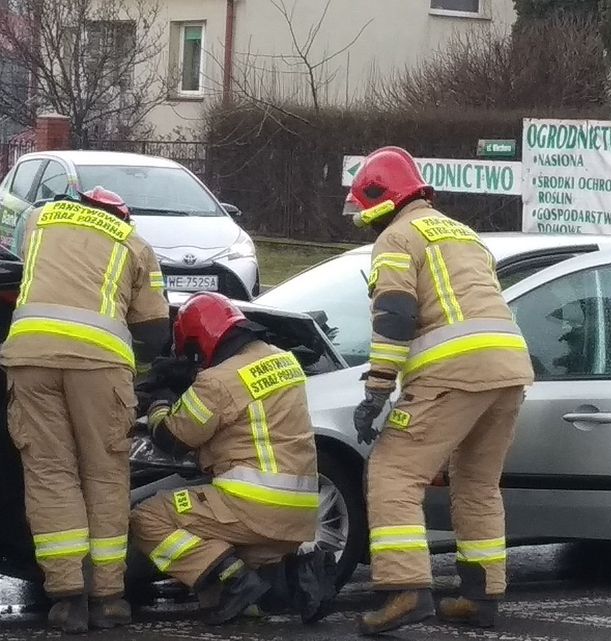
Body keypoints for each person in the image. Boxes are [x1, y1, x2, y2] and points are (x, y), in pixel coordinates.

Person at [345, 147, 533, 635]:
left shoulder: (396, 237)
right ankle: (482, 595)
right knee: (477, 482)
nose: (363, 222)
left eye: (365, 211)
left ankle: (405, 590)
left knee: (393, 473)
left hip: (454, 371)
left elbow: (395, 315)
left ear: (379, 200)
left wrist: (377, 388)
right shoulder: (463, 234)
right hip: (509, 367)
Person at [0, 188, 169, 633]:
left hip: (29, 357)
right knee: (104, 473)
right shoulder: (135, 243)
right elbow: (154, 332)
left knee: (50, 473)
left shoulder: (41, 220)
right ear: (121, 215)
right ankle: (108, 598)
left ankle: (66, 598)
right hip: (100, 365)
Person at [130, 292, 336, 625]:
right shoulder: (284, 360)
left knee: (147, 518)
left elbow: (174, 438)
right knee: (250, 573)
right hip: (299, 509)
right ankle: (295, 579)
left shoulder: (217, 381)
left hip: (250, 503)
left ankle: (234, 579)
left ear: (199, 342)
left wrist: (159, 402)